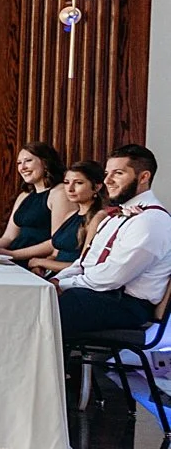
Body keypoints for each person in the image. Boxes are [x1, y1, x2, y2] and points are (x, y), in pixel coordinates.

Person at [54, 144, 171, 336]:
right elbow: (85, 262)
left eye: (118, 173)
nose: (107, 180)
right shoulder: (114, 216)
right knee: (35, 300)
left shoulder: (152, 221)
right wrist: (57, 279)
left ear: (143, 177)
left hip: (126, 305)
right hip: (99, 294)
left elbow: (113, 277)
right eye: (107, 173)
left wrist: (65, 285)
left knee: (48, 310)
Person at [28, 161, 106, 275]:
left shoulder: (98, 217)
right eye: (66, 182)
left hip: (70, 281)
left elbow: (82, 265)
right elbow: (55, 254)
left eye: (78, 183)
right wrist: (39, 267)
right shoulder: (70, 214)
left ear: (97, 187)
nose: (70, 189)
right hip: (51, 275)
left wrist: (39, 262)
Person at [0, 143, 71, 259]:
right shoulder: (24, 196)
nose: (22, 167)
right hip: (12, 257)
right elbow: (9, 237)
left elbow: (56, 242)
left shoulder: (59, 193)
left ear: (45, 163)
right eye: (19, 163)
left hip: (35, 262)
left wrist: (13, 255)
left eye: (28, 161)